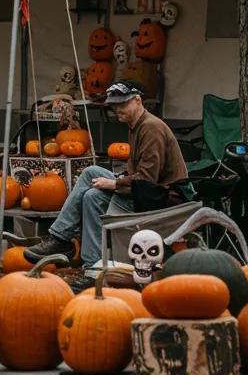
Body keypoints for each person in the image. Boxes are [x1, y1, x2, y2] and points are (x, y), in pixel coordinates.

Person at [24, 79, 192, 290]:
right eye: (114, 105)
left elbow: (147, 180)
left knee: (90, 174)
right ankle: (93, 269)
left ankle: (60, 238)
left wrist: (114, 184)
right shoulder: (136, 126)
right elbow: (137, 175)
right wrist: (116, 181)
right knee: (91, 195)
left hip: (161, 198)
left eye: (121, 104)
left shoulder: (151, 127)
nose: (116, 109)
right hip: (144, 192)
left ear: (137, 101)